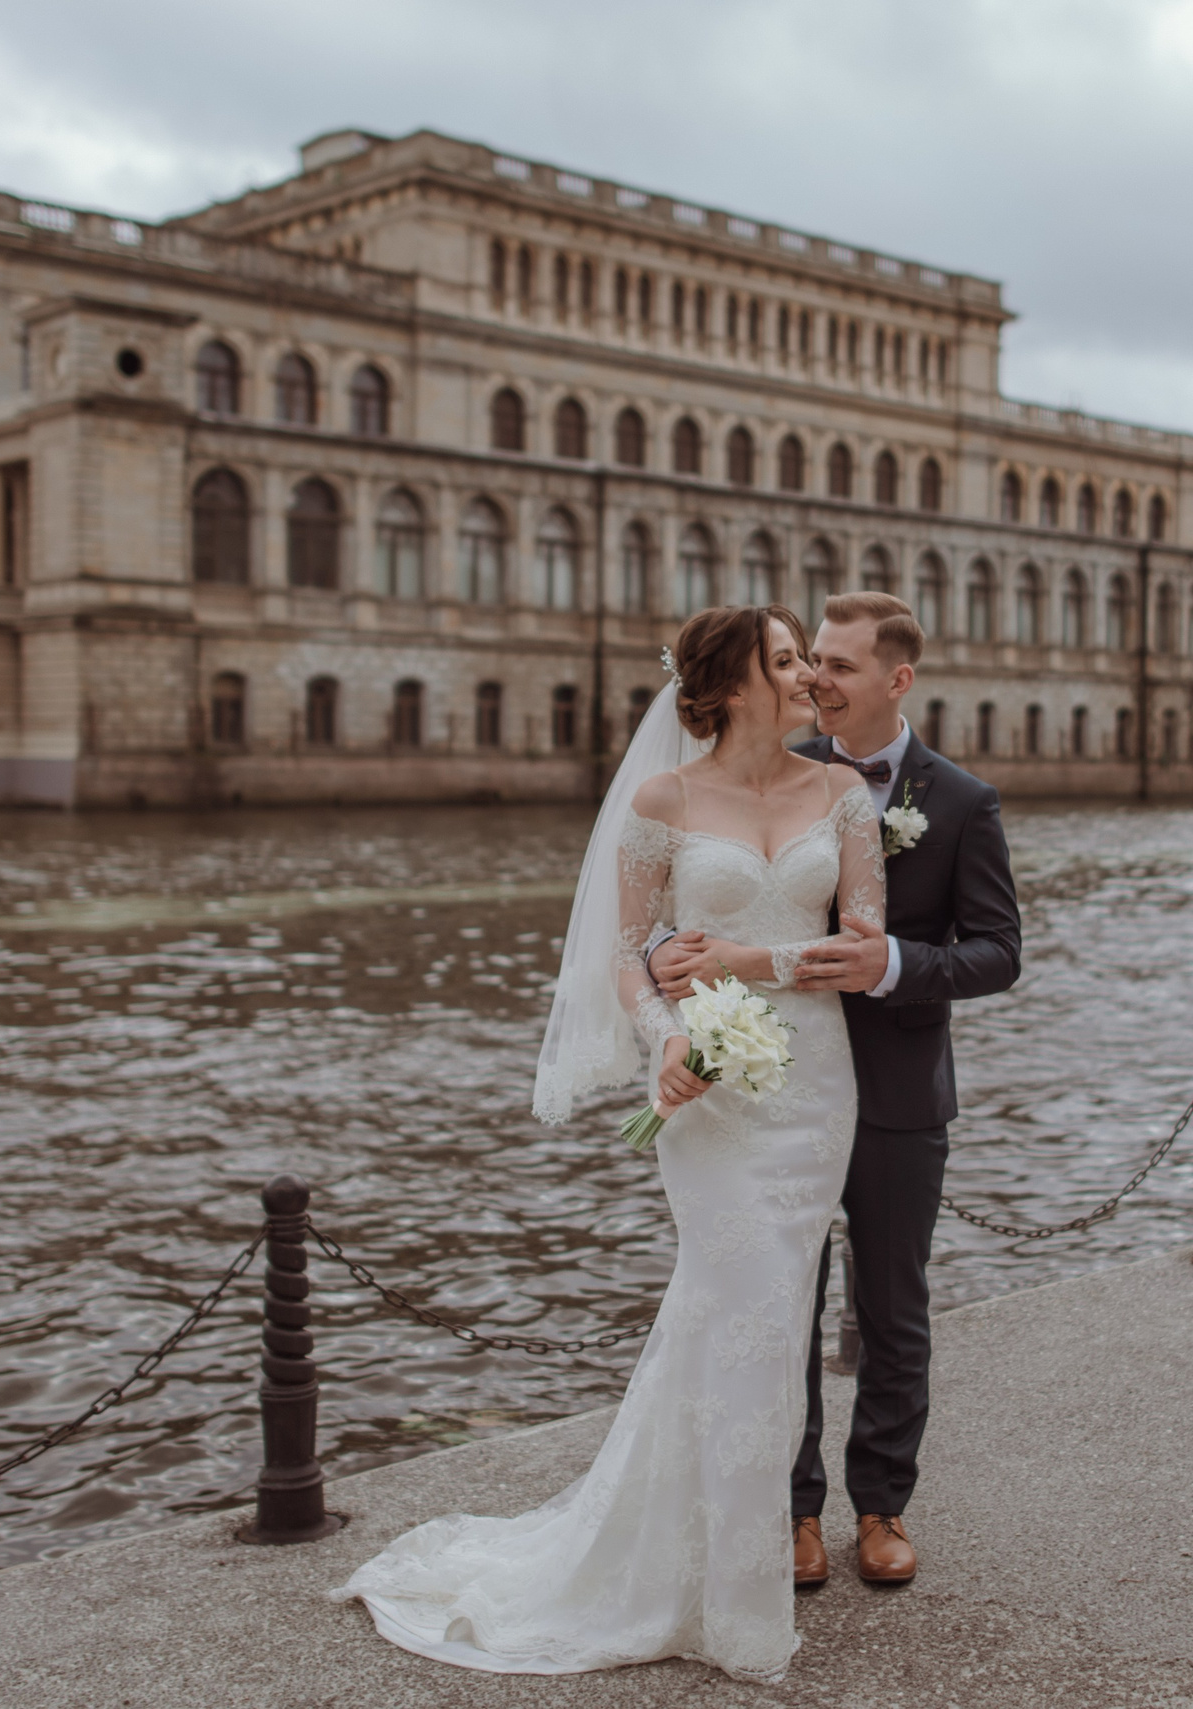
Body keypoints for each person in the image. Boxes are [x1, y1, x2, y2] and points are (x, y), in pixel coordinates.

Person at [335, 605, 887, 1682]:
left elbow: (862, 947)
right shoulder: (662, 799)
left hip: (814, 1086)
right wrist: (668, 1038)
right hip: (709, 1099)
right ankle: (730, 1595)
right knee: (739, 1311)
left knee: (769, 1322)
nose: (808, 677)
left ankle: (717, 1570)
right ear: (731, 687)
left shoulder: (844, 794)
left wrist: (743, 961)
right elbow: (627, 959)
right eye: (784, 662)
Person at [652, 591, 1021, 1590]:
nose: (816, 677)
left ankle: (882, 1506)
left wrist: (895, 964)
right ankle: (795, 1508)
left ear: (898, 680)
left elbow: (996, 954)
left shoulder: (959, 801)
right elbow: (679, 896)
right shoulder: (777, 772)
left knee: (892, 1307)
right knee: (783, 1305)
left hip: (897, 1091)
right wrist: (671, 965)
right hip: (774, 1084)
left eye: (840, 664)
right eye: (808, 657)